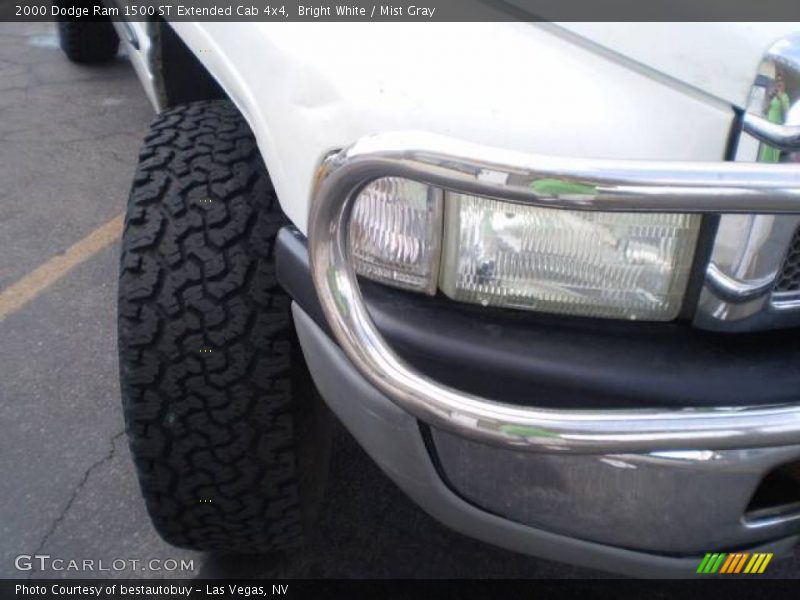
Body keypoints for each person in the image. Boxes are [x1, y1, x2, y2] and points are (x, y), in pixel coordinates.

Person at [758, 74, 791, 163]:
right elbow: (764, 111)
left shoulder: (785, 97)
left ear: (784, 85)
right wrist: (769, 99)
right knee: (765, 153)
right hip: (768, 129)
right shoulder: (773, 97)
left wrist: (780, 98)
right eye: (777, 81)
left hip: (777, 129)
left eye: (781, 81)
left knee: (774, 156)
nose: (779, 83)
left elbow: (786, 114)